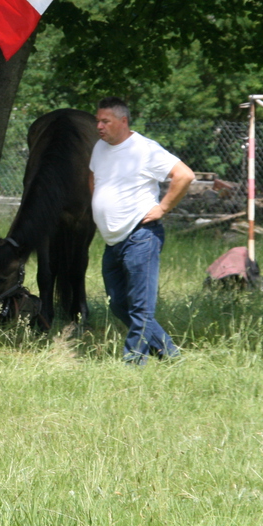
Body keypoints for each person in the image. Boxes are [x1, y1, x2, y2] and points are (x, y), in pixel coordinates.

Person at [88, 96, 194, 364]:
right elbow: (93, 176)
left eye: (105, 121)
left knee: (140, 308)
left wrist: (163, 208)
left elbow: (184, 175)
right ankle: (171, 356)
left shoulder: (145, 149)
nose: (99, 126)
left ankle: (134, 364)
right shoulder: (100, 147)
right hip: (113, 240)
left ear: (123, 121)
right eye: (97, 121)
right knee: (119, 305)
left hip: (141, 237)